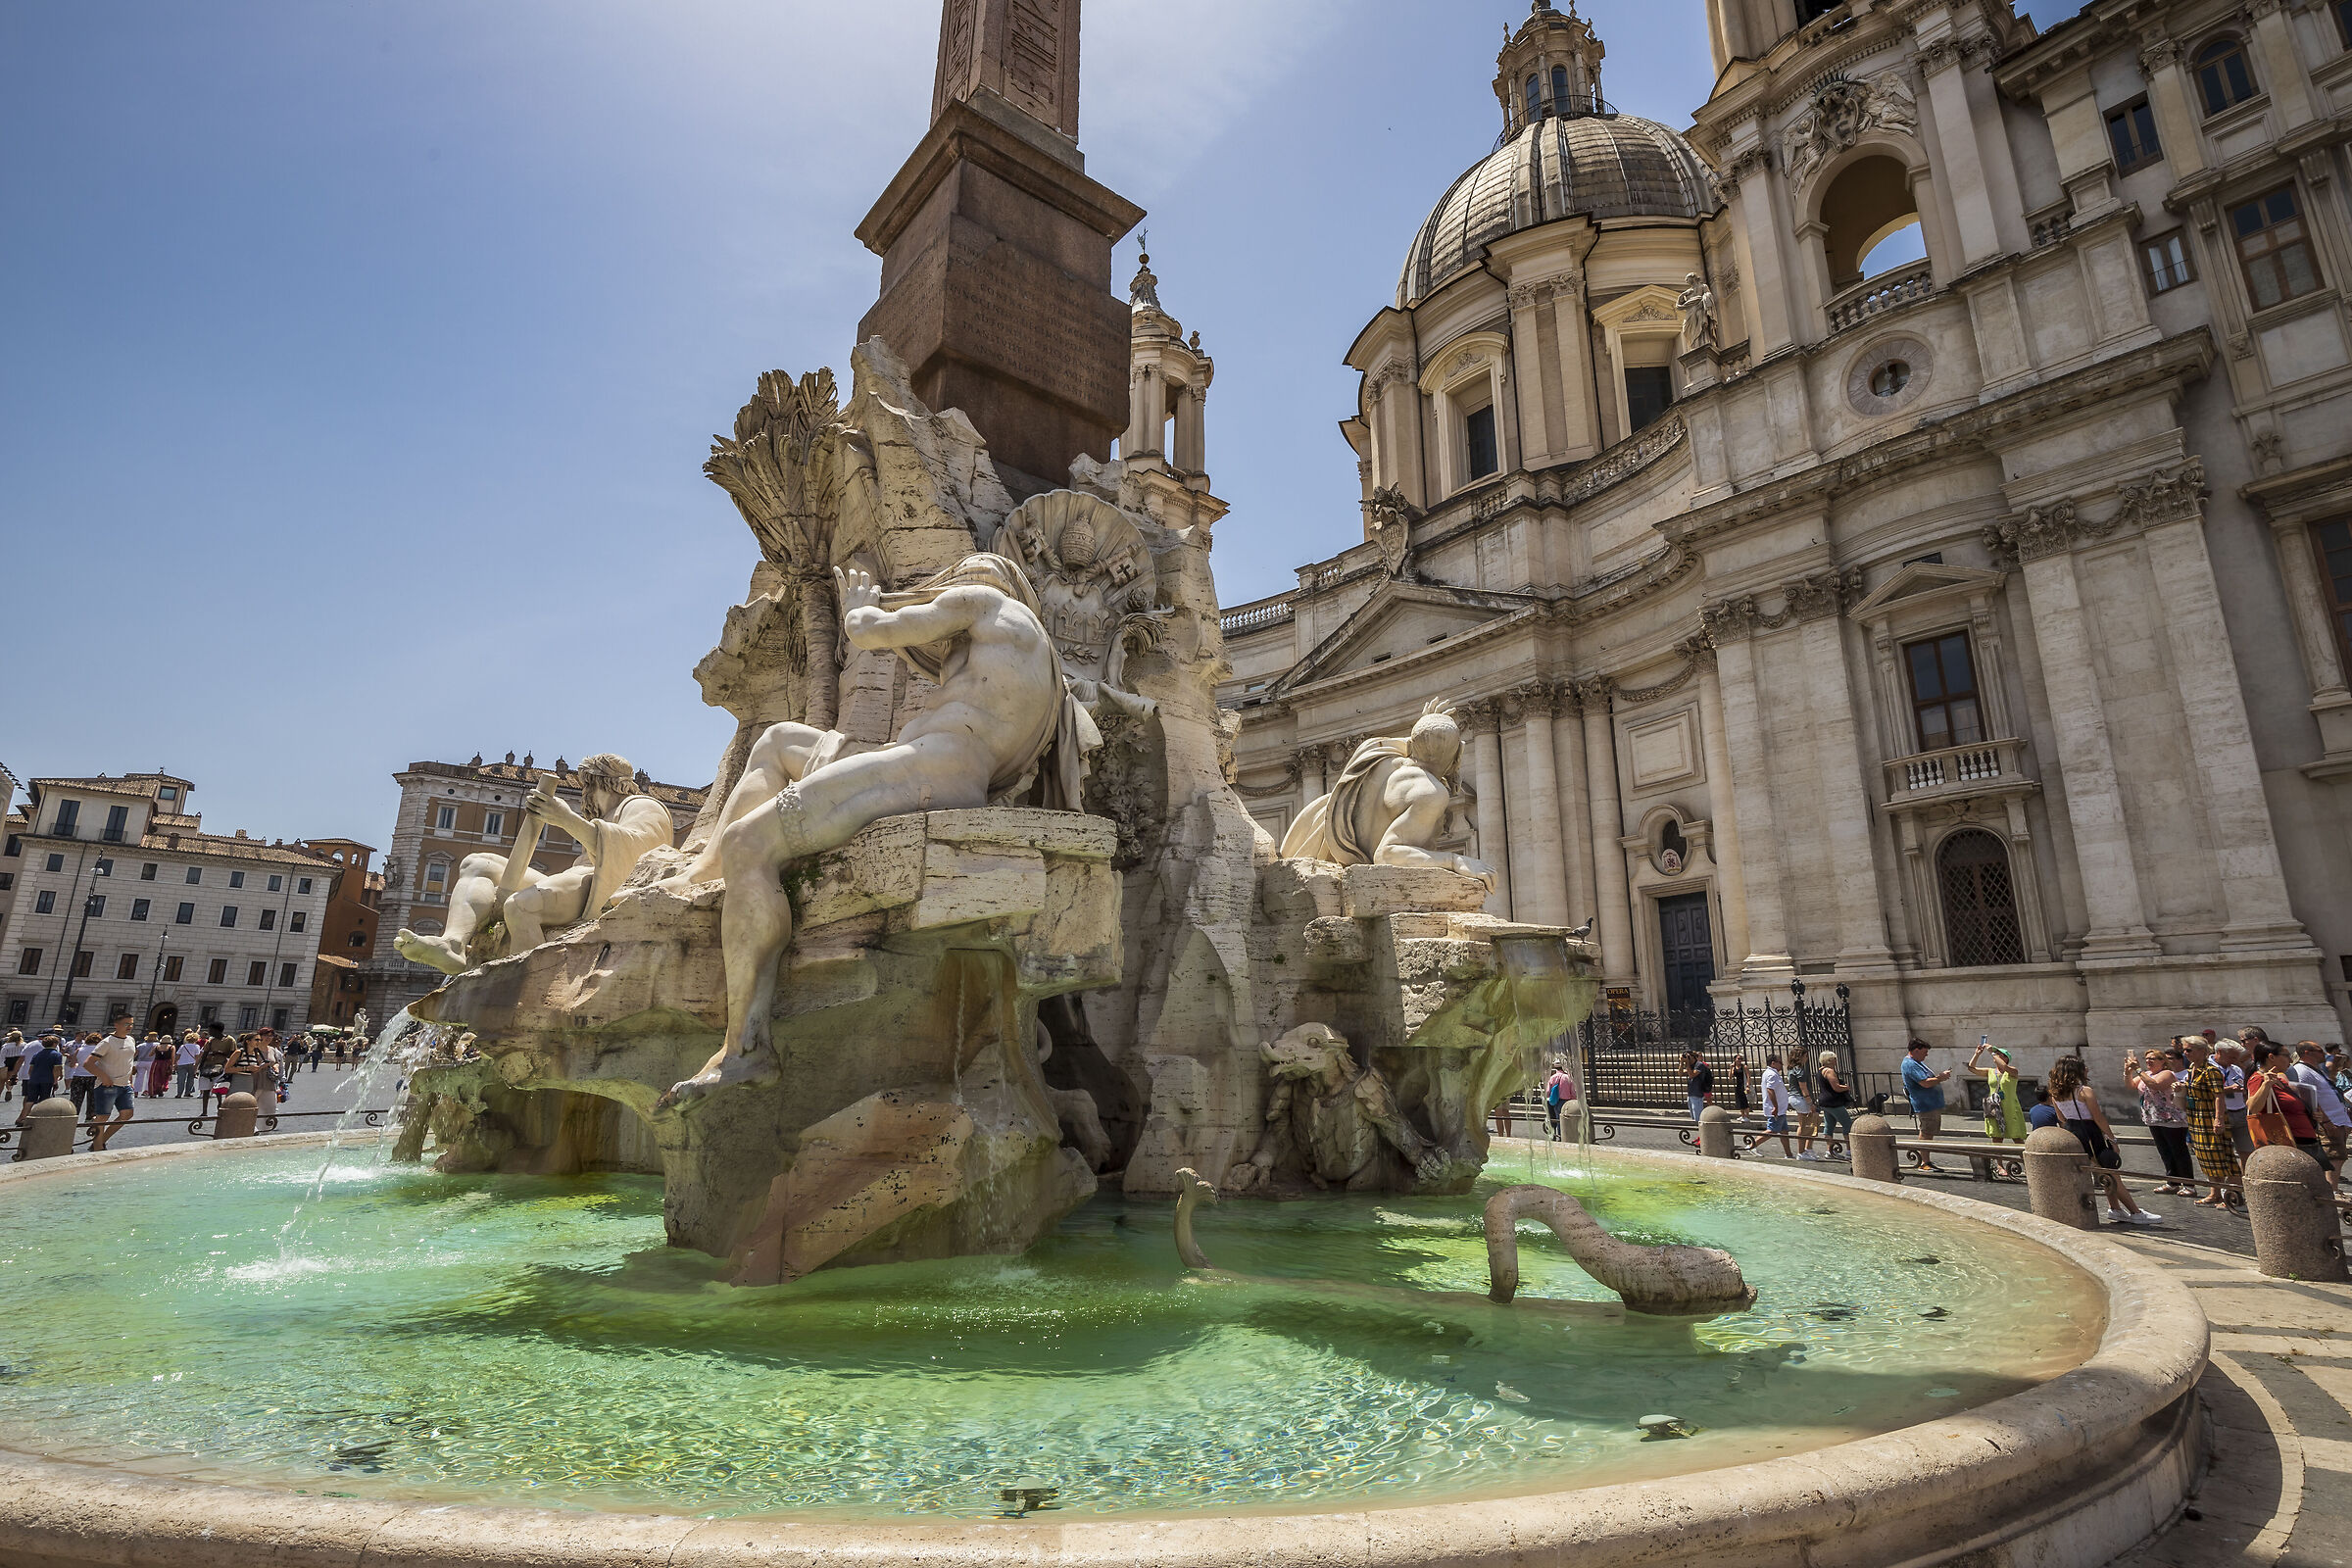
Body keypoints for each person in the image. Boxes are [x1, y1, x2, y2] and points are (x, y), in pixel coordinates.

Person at [2047, 1055, 2161, 1225]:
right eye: (2084, 1067)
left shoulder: (2055, 1094)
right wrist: (2112, 1140)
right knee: (2112, 1173)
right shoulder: (2084, 1091)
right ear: (2075, 1070)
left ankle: (2115, 1209)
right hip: (2092, 1134)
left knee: (2103, 1172)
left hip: (2074, 1134)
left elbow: (2061, 1118)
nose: (2087, 1069)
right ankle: (2135, 1212)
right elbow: (2098, 1118)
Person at [2180, 1036, 2241, 1208]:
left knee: (2220, 1157)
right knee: (2205, 1158)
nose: (2185, 1053)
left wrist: (2218, 1119)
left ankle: (2230, 1193)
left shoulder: (2211, 1071)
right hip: (2195, 1118)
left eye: (2189, 1050)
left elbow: (2219, 1096)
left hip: (2209, 1119)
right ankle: (2215, 1193)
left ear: (2202, 1051)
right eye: (2184, 1050)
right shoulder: (2192, 1068)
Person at [2126, 1045, 2195, 1196]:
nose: (2148, 1061)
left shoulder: (2167, 1074)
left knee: (2178, 1151)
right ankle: (2172, 1182)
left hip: (2171, 1118)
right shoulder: (2146, 1073)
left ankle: (2189, 1184)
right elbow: (2131, 1085)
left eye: (2152, 1058)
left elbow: (2155, 1085)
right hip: (2153, 1117)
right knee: (2165, 1151)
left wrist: (2138, 1070)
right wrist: (2127, 1072)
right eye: (2147, 1059)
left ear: (2162, 1061)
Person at [2246, 1042, 2326, 1171]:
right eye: (2286, 1055)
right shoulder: (2258, 1079)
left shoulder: (2281, 1079)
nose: (2290, 1060)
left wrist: (2312, 1114)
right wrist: (2266, 1085)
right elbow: (2253, 1108)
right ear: (2271, 1057)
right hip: (2289, 1143)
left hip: (2305, 1140)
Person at [2290, 1043, 2350, 1193]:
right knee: (2335, 1156)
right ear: (2307, 1053)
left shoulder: (2315, 1069)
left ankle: (2331, 1188)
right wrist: (2326, 1121)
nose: (2323, 1054)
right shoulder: (2301, 1070)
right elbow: (2308, 1098)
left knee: (2338, 1156)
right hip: (2328, 1121)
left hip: (2336, 1119)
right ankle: (2332, 1191)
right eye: (2319, 1051)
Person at [82, 1013, 138, 1152]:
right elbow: (88, 1063)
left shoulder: (131, 1040)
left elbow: (129, 1062)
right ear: (116, 1025)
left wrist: (130, 1080)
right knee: (103, 1117)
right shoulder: (107, 1042)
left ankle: (100, 1141)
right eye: (126, 1024)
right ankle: (97, 1147)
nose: (129, 1027)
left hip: (125, 1085)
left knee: (127, 1114)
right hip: (107, 1085)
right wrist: (104, 1077)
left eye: (131, 1024)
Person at [1965, 1040, 2029, 1144]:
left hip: (2010, 1107)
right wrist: (1977, 1054)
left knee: (2016, 1137)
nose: (1996, 1056)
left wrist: (1992, 1052)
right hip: (1995, 1106)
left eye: (2000, 1054)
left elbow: (2004, 1067)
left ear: (2006, 1058)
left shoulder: (2012, 1071)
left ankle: (2023, 1159)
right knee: (1997, 1137)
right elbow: (1971, 1068)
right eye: (1996, 1054)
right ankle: (1997, 1160)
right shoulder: (1990, 1071)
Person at [1902, 1040, 1952, 1171]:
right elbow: (1925, 1083)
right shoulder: (1910, 1064)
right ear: (1916, 1050)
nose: (1926, 1055)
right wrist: (1940, 1078)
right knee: (1926, 1132)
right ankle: (1924, 1163)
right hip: (1925, 1104)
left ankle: (1926, 1161)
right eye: (1925, 1052)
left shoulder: (1916, 1063)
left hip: (1930, 1104)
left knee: (1928, 1132)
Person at [16, 1033, 64, 1119]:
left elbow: (30, 1070)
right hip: (47, 1080)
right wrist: (55, 1081)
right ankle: (40, 1118)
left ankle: (22, 1118)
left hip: (34, 1079)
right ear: (54, 1044)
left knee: (30, 1099)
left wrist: (32, 1077)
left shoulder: (37, 1055)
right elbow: (56, 1070)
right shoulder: (57, 1055)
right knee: (44, 1100)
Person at [1788, 1053, 1822, 1159]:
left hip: (1796, 1098)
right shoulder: (1800, 1070)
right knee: (1804, 1125)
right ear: (1801, 1056)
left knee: (1810, 1122)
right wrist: (1810, 1102)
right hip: (1801, 1098)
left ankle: (1807, 1149)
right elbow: (1803, 1088)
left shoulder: (1792, 1069)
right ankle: (1801, 1152)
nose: (1807, 1058)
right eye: (1806, 1055)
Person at [1761, 1054, 1794, 1159]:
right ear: (1773, 1063)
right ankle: (1751, 1145)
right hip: (1776, 1108)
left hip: (1780, 1108)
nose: (1782, 1065)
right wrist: (1775, 1106)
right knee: (1773, 1130)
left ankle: (1788, 1154)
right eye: (1780, 1062)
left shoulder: (1772, 1073)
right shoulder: (1771, 1074)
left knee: (1784, 1131)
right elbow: (1770, 1090)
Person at [1814, 1052, 1854, 1142]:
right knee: (1847, 1124)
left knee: (1829, 1126)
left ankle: (1829, 1150)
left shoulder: (1820, 1071)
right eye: (1834, 1058)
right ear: (1830, 1060)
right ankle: (1849, 1150)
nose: (1836, 1061)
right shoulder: (1829, 1071)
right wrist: (1846, 1087)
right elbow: (1836, 1087)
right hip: (1833, 1102)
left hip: (1824, 1102)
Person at [65, 1032, 99, 1116]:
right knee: (92, 1100)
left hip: (78, 1076)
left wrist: (79, 1065)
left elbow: (72, 1065)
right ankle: (89, 1119)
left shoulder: (79, 1050)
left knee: (75, 1100)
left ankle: (73, 1118)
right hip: (93, 1077)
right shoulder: (98, 1050)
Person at [1543, 1060, 1577, 1140]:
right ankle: (1562, 1136)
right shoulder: (1567, 1077)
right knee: (1562, 1120)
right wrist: (1573, 1100)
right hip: (1565, 1101)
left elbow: (1547, 1092)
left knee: (1553, 1119)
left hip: (1553, 1101)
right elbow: (1573, 1092)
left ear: (1555, 1067)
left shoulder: (1552, 1077)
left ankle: (1553, 1136)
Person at [1684, 1052, 1714, 1123]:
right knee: (1694, 1117)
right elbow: (1681, 1073)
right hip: (1691, 1093)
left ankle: (1702, 1132)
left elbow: (1691, 1075)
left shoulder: (1699, 1065)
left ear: (1693, 1057)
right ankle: (1698, 1132)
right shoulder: (1691, 1065)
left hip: (1697, 1093)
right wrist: (1682, 1063)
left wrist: (1687, 1063)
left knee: (1698, 1118)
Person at [172, 1031, 202, 1099]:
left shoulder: (183, 1046)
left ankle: (179, 1093)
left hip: (182, 1063)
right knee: (191, 1078)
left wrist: (175, 1063)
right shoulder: (197, 1046)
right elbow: (197, 1057)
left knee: (181, 1079)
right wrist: (197, 1066)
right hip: (192, 1064)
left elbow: (178, 1055)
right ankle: (188, 1092)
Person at [0, 1030, 24, 1103]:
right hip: (16, 1062)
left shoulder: (6, 1046)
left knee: (1, 1081)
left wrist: (1, 1066)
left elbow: (2, 1056)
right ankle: (9, 1090)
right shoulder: (24, 1045)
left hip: (7, 1062)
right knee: (11, 1078)